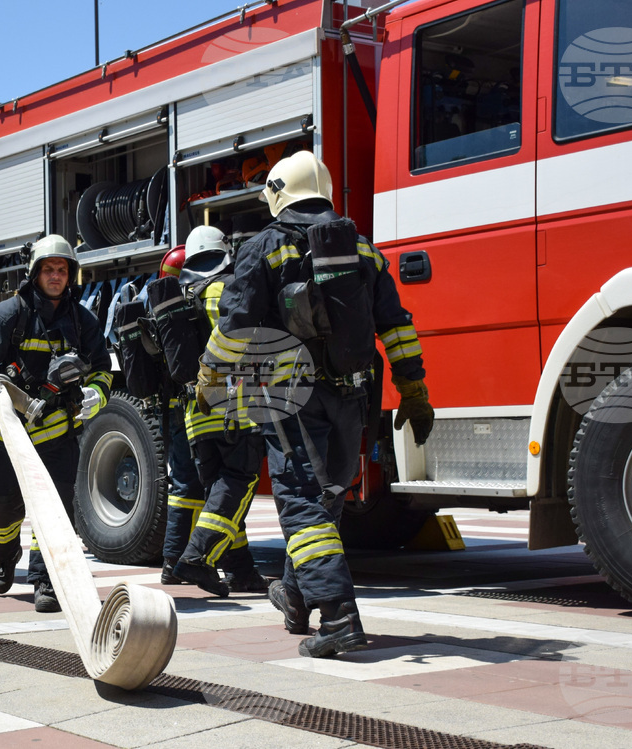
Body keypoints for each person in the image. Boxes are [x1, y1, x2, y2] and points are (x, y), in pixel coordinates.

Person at [197, 150, 434, 657]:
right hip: (354, 397)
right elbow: (397, 327)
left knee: (302, 505)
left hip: (291, 402)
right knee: (325, 499)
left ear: (279, 192)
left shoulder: (266, 245)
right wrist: (413, 390)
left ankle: (340, 618)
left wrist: (208, 379)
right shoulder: (364, 249)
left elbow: (234, 326)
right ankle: (298, 599)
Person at [0, 234, 112, 613]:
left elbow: (103, 370)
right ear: (35, 273)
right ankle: (5, 555)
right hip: (4, 435)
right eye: (49, 269)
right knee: (1, 509)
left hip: (57, 433)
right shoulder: (5, 316)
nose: (56, 276)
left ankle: (45, 580)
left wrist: (96, 393)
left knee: (55, 511)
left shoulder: (83, 321)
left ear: (71, 275)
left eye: (62, 270)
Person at [168, 226, 267, 596]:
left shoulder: (181, 294)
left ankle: (242, 572)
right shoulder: (226, 289)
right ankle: (197, 558)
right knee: (238, 485)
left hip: (196, 416)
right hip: (234, 409)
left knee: (219, 495)